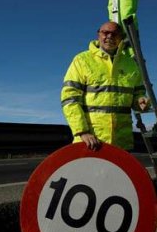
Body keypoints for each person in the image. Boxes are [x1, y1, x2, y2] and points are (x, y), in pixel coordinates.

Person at [61, 21, 149, 151]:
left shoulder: (131, 64)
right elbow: (70, 98)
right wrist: (82, 132)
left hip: (122, 143)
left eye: (115, 34)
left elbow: (138, 95)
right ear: (98, 35)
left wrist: (141, 101)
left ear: (121, 38)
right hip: (90, 141)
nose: (109, 36)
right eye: (105, 32)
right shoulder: (82, 60)